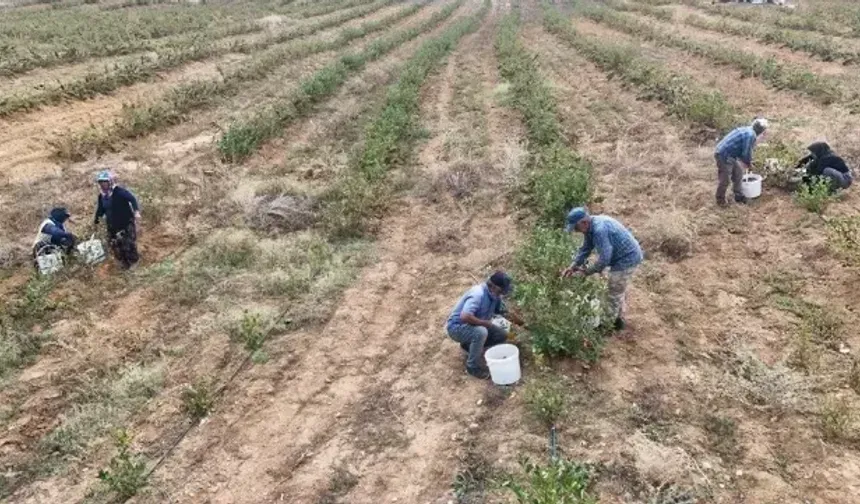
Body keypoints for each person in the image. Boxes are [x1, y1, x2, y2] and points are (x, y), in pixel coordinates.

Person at [560, 207, 643, 332]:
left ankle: (608, 325)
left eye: (576, 228)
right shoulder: (590, 228)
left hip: (627, 258)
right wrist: (573, 266)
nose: (576, 231)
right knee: (617, 289)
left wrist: (586, 272)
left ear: (584, 222)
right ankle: (618, 318)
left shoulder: (599, 229)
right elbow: (585, 249)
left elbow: (604, 259)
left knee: (613, 291)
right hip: (620, 257)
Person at [446, 271, 525, 379]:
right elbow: (465, 316)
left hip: (474, 325)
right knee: (481, 332)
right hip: (456, 328)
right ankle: (472, 367)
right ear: (493, 286)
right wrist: (485, 323)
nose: (502, 293)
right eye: (501, 290)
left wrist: (523, 324)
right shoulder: (478, 294)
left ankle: (468, 345)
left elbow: (505, 313)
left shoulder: (495, 296)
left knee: (502, 335)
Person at [714, 117, 769, 206]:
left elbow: (743, 150)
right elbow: (746, 152)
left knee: (738, 173)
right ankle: (720, 201)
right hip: (724, 154)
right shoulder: (750, 135)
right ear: (761, 131)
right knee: (725, 179)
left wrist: (747, 162)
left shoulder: (748, 130)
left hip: (729, 154)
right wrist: (748, 163)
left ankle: (738, 195)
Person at [93, 170, 141, 270]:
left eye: (104, 182)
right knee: (115, 245)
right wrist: (96, 222)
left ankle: (134, 262)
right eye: (100, 182)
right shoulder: (102, 196)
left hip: (125, 223)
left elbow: (132, 199)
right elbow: (100, 210)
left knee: (128, 244)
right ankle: (124, 264)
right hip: (112, 225)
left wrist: (136, 212)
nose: (102, 184)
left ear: (110, 181)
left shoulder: (119, 192)